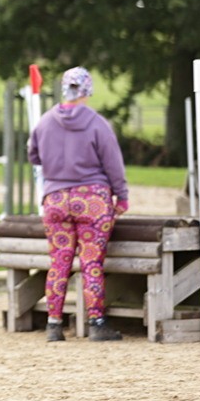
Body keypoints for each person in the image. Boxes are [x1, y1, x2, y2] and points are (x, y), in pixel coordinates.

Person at [28, 67, 130, 342]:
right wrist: (121, 197)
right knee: (91, 262)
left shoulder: (45, 121)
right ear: (87, 90)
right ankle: (96, 323)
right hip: (92, 201)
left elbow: (33, 155)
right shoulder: (98, 124)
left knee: (59, 263)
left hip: (56, 200)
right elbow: (114, 165)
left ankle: (53, 325)